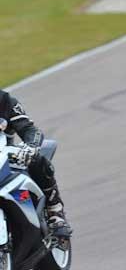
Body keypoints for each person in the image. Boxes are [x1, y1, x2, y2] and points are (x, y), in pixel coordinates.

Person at [0, 90, 72, 237]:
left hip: (6, 157)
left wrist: (31, 146)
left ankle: (55, 210)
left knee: (37, 159)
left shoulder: (4, 100)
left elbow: (30, 130)